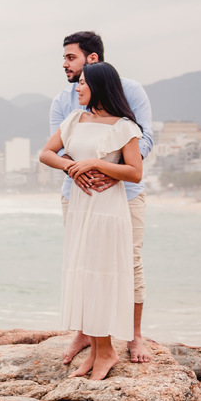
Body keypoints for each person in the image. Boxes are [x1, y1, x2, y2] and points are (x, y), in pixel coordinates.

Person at [49, 32, 154, 365]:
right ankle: (86, 333)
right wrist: (74, 170)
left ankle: (134, 335)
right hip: (77, 194)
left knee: (128, 262)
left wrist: (111, 169)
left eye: (70, 57)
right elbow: (59, 149)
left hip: (125, 194)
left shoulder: (131, 91)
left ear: (92, 59)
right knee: (83, 262)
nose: (64, 64)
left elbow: (142, 138)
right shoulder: (63, 103)